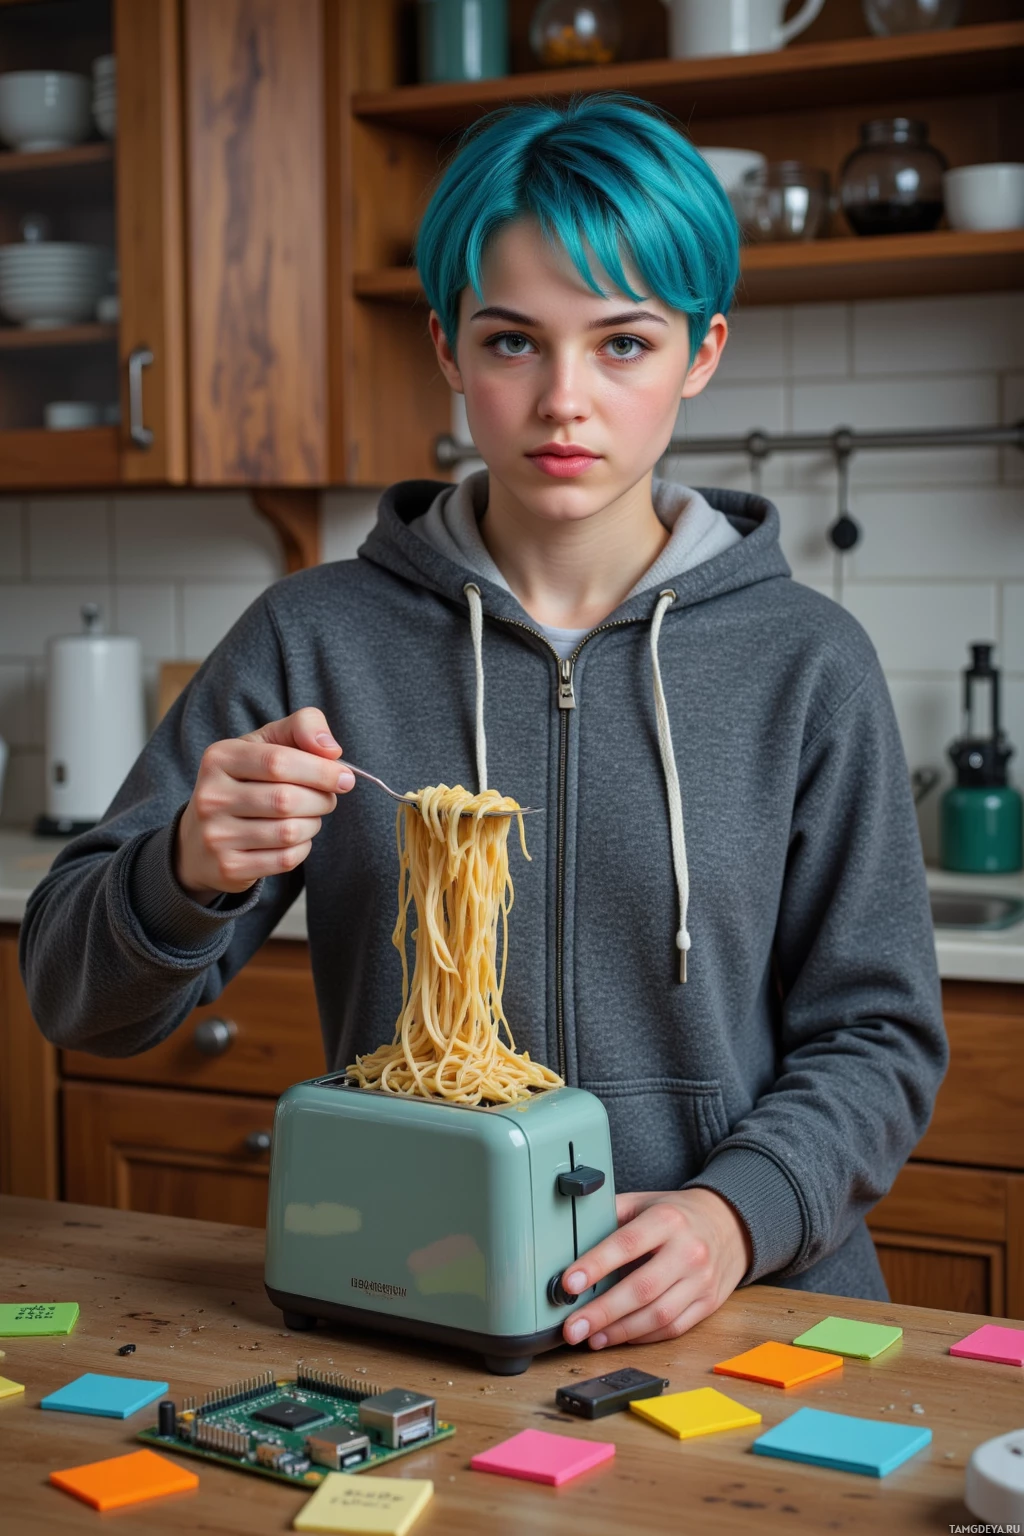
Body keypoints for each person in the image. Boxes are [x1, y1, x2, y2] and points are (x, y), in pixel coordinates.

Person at [21, 94, 947, 1355]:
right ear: (450, 348)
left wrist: (735, 1217)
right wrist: (185, 864)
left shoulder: (806, 662)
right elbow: (80, 1003)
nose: (565, 400)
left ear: (704, 351)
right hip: (422, 1299)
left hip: (744, 1309)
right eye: (514, 342)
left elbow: (879, 1034)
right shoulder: (317, 638)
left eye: (623, 344)